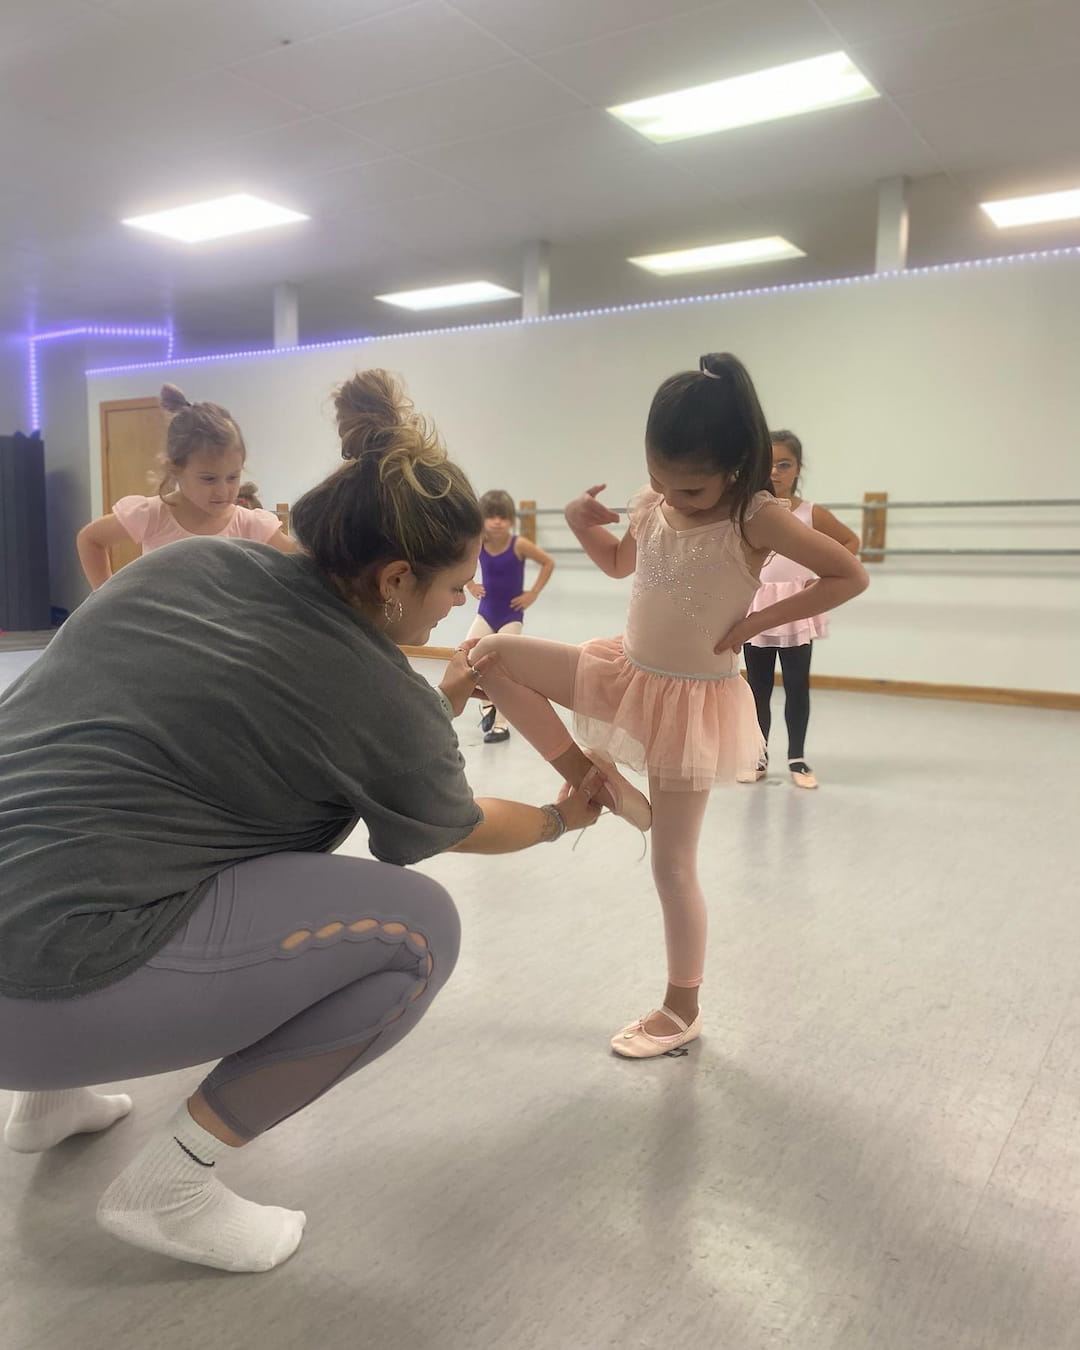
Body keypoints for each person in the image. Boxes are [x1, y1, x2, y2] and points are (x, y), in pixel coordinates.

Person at [0, 369, 599, 1275]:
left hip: (23, 936)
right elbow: (456, 823)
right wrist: (563, 814)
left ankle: (48, 1103)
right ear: (396, 577)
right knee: (417, 932)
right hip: (33, 999)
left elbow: (288, 728)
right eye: (452, 587)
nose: (461, 606)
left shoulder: (182, 564)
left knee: (119, 829)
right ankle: (174, 1188)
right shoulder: (370, 685)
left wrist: (432, 704)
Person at [466, 355, 868, 1059]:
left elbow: (848, 572)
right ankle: (594, 779)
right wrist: (577, 521)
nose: (671, 496)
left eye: (690, 486)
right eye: (658, 480)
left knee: (671, 864)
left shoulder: (756, 516)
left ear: (738, 468)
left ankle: (682, 1008)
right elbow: (622, 562)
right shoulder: (656, 502)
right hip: (623, 670)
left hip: (692, 704)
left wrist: (749, 628)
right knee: (490, 656)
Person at [76, 385, 297, 589]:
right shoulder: (152, 515)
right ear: (176, 470)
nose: (223, 490)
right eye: (209, 479)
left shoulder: (250, 525)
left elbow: (301, 563)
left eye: (232, 477)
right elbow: (90, 539)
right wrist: (107, 598)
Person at [740, 430, 861, 789]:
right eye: (768, 464)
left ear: (797, 469)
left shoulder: (810, 513)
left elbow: (849, 540)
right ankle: (758, 757)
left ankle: (797, 758)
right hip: (756, 606)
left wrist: (822, 578)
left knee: (796, 685)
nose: (775, 472)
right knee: (756, 689)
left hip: (798, 608)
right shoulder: (748, 511)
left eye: (784, 464)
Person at [465, 489, 555, 743]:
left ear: (511, 520)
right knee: (469, 657)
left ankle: (501, 725)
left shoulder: (519, 545)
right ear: (482, 520)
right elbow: (457, 561)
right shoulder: (477, 544)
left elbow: (548, 563)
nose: (496, 522)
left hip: (510, 615)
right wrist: (470, 584)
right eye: (491, 517)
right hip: (486, 612)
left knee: (504, 668)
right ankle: (487, 705)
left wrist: (533, 593)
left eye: (502, 517)